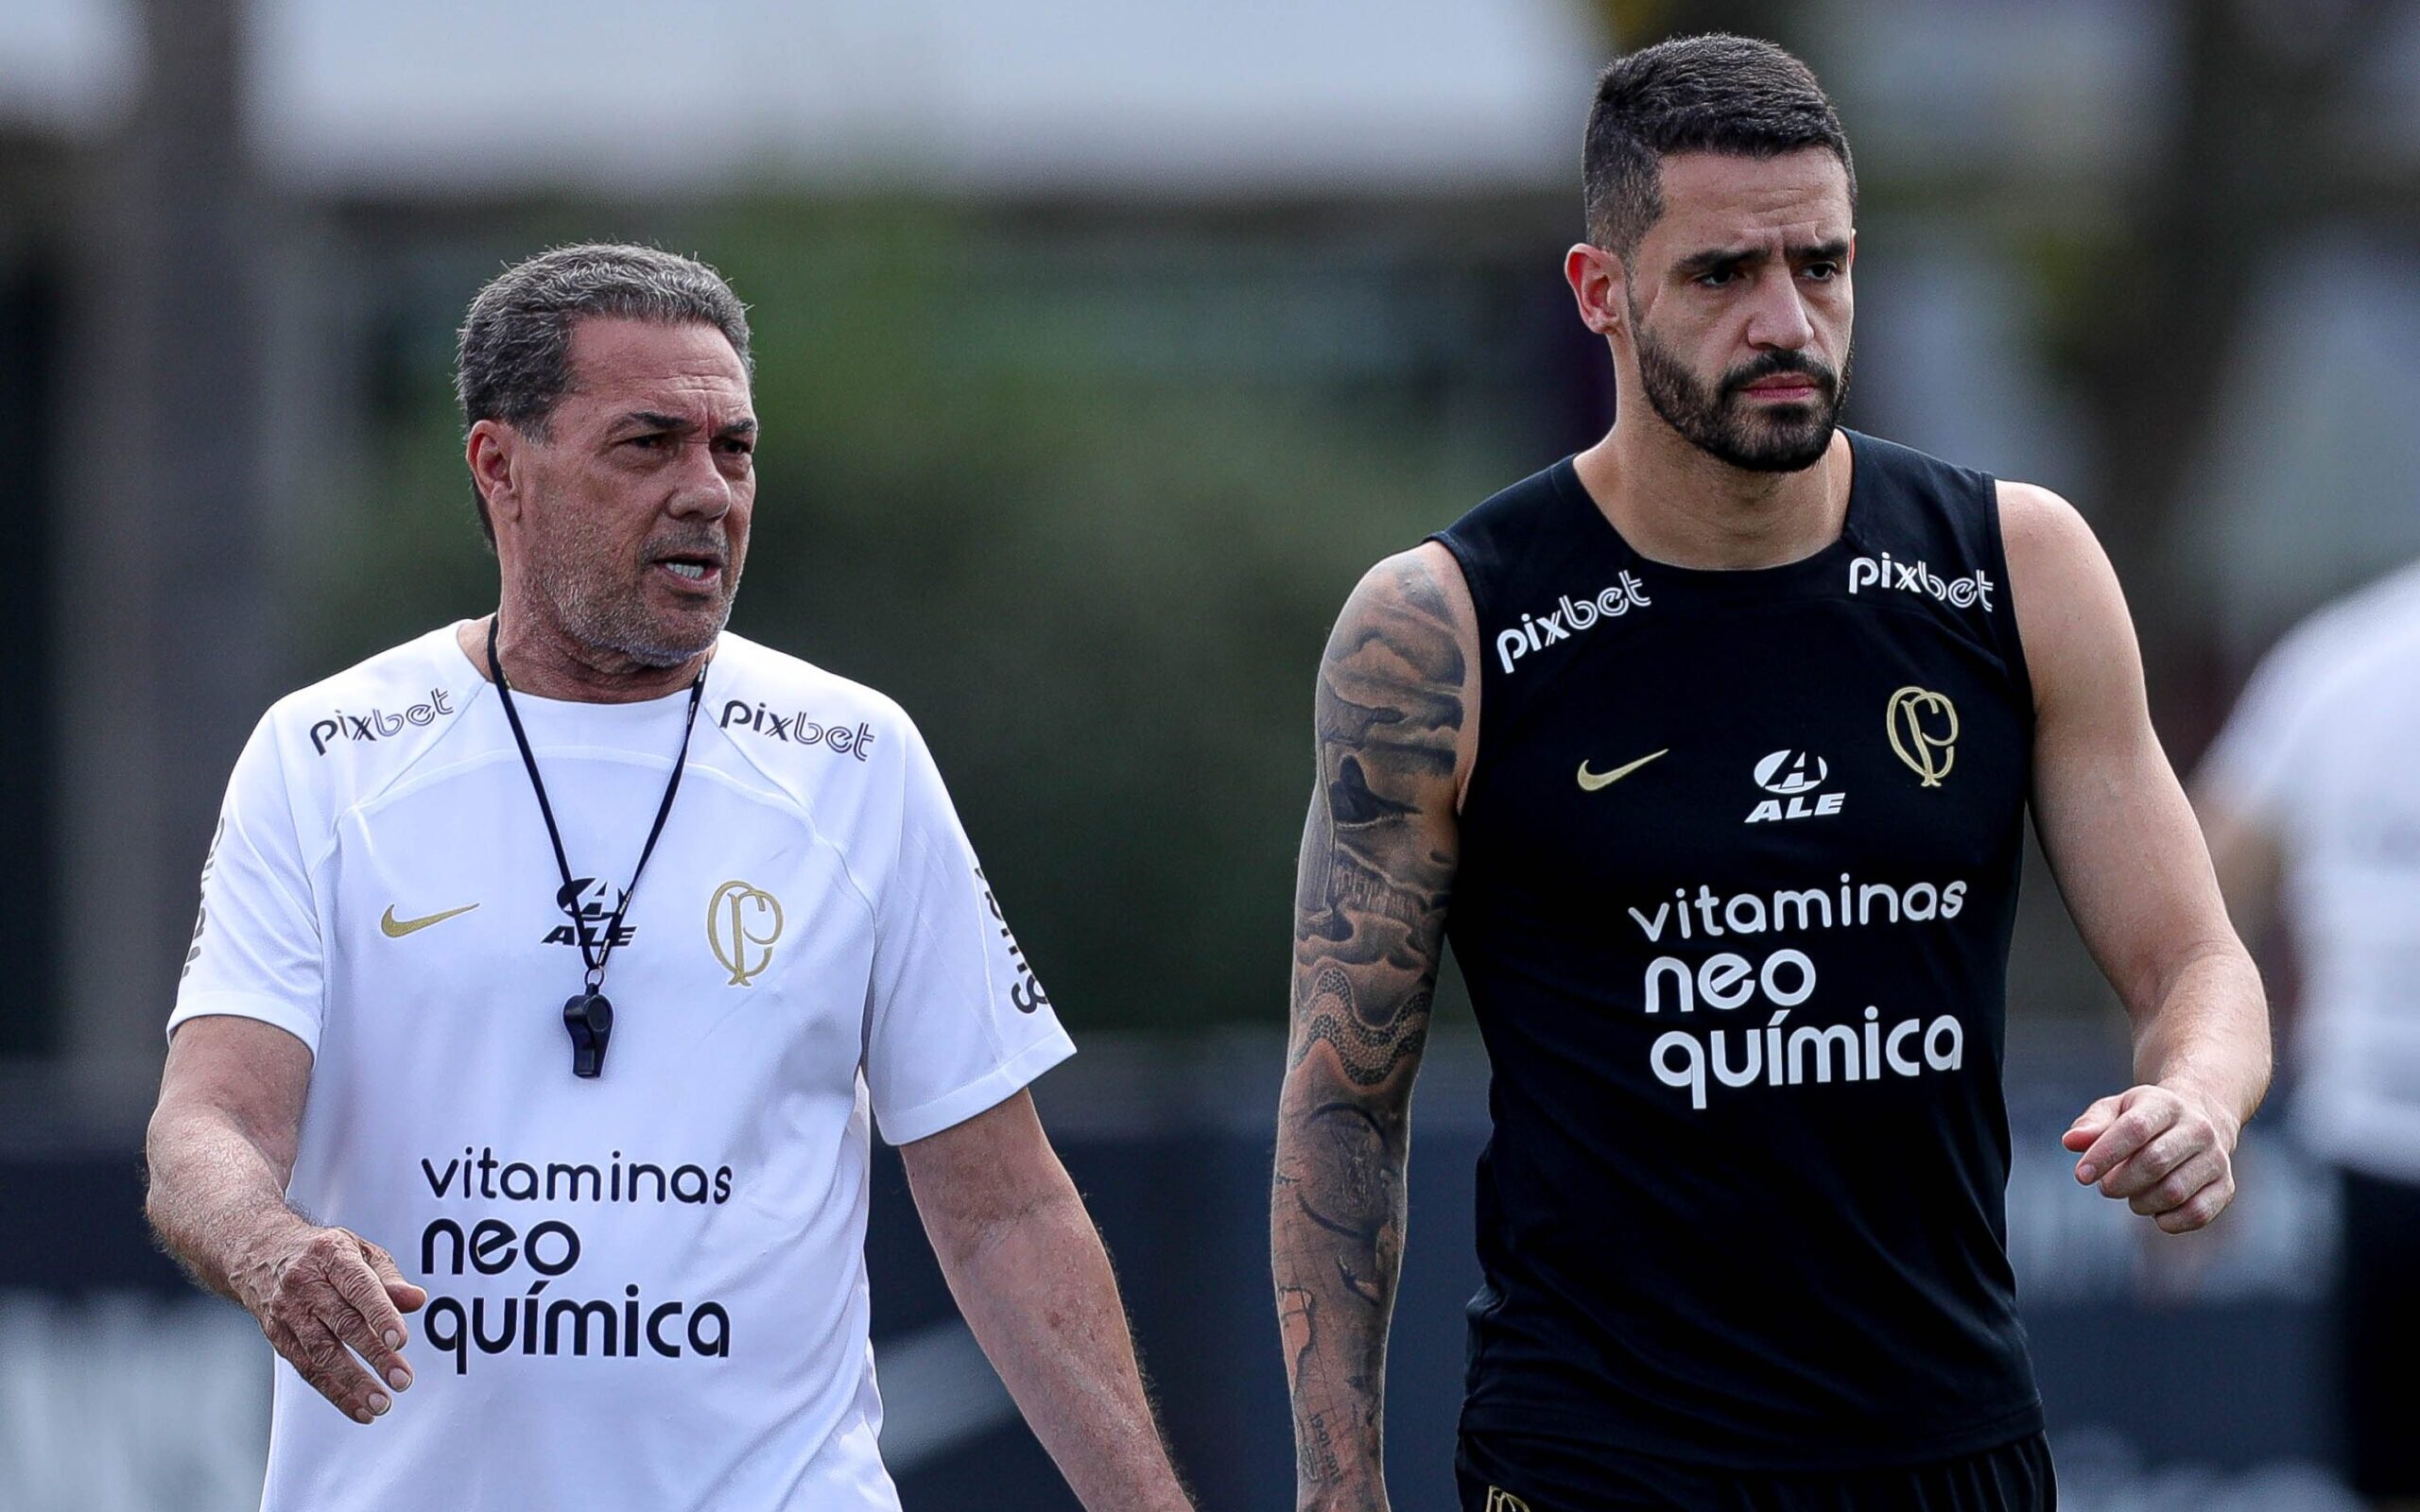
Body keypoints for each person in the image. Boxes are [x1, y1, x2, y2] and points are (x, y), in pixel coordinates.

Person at [1271, 35, 2270, 1512]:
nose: (1787, 320)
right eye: (1723, 275)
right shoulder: (1441, 631)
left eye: (1825, 264)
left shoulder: (2020, 567)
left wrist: (2199, 1098)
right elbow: (1343, 1108)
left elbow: (2199, 961)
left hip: (1947, 1447)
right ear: (1601, 294)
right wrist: (1335, 1491)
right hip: (1600, 1457)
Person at [143, 244, 1193, 1512]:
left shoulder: (858, 758)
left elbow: (1005, 1213)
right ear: (500, 469)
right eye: (649, 445)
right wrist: (270, 1251)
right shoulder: (324, 757)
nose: (709, 493)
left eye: (734, 450)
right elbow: (210, 1127)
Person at [2195, 558, 2420, 1512]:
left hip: (2374, 1137)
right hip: (2376, 1139)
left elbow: (2196, 897)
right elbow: (2195, 902)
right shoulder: (2341, 661)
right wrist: (2194, 1098)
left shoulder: (2337, 658)